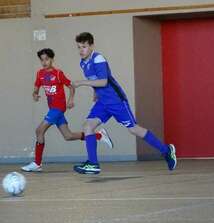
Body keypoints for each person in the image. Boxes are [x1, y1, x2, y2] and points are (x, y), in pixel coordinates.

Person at [72, 32, 176, 174]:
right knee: (88, 126)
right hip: (103, 102)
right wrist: (95, 93)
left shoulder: (98, 59)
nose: (81, 50)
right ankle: (93, 164)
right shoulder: (83, 63)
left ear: (91, 46)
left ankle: (166, 151)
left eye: (83, 47)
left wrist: (81, 82)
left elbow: (103, 81)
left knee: (133, 129)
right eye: (78, 47)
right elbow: (96, 80)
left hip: (116, 101)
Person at [21, 48, 112, 172]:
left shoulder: (58, 74)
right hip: (53, 109)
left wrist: (71, 100)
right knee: (68, 136)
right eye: (42, 60)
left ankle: (37, 163)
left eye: (47, 59)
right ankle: (98, 135)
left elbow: (71, 86)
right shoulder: (40, 74)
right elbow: (36, 87)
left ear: (52, 59)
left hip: (58, 108)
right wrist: (35, 94)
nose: (44, 62)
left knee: (39, 131)